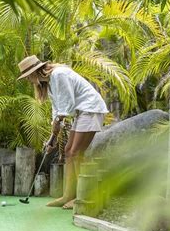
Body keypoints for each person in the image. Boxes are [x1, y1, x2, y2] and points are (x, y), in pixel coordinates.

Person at [17, 55, 108, 209]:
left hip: (91, 109)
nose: (27, 80)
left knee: (76, 152)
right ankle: (67, 195)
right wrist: (52, 137)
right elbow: (57, 109)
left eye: (27, 76)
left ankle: (82, 196)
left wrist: (58, 122)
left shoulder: (59, 74)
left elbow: (68, 103)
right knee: (68, 151)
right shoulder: (49, 83)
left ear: (34, 72)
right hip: (81, 112)